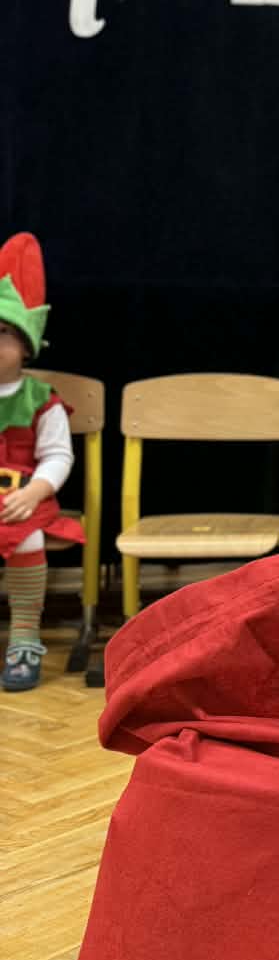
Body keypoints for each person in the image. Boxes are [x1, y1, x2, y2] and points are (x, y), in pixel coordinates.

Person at [0, 233, 83, 691]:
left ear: (27, 345)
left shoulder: (40, 400)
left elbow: (58, 455)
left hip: (23, 498)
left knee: (26, 537)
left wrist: (35, 491)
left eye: (2, 333)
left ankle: (24, 637)